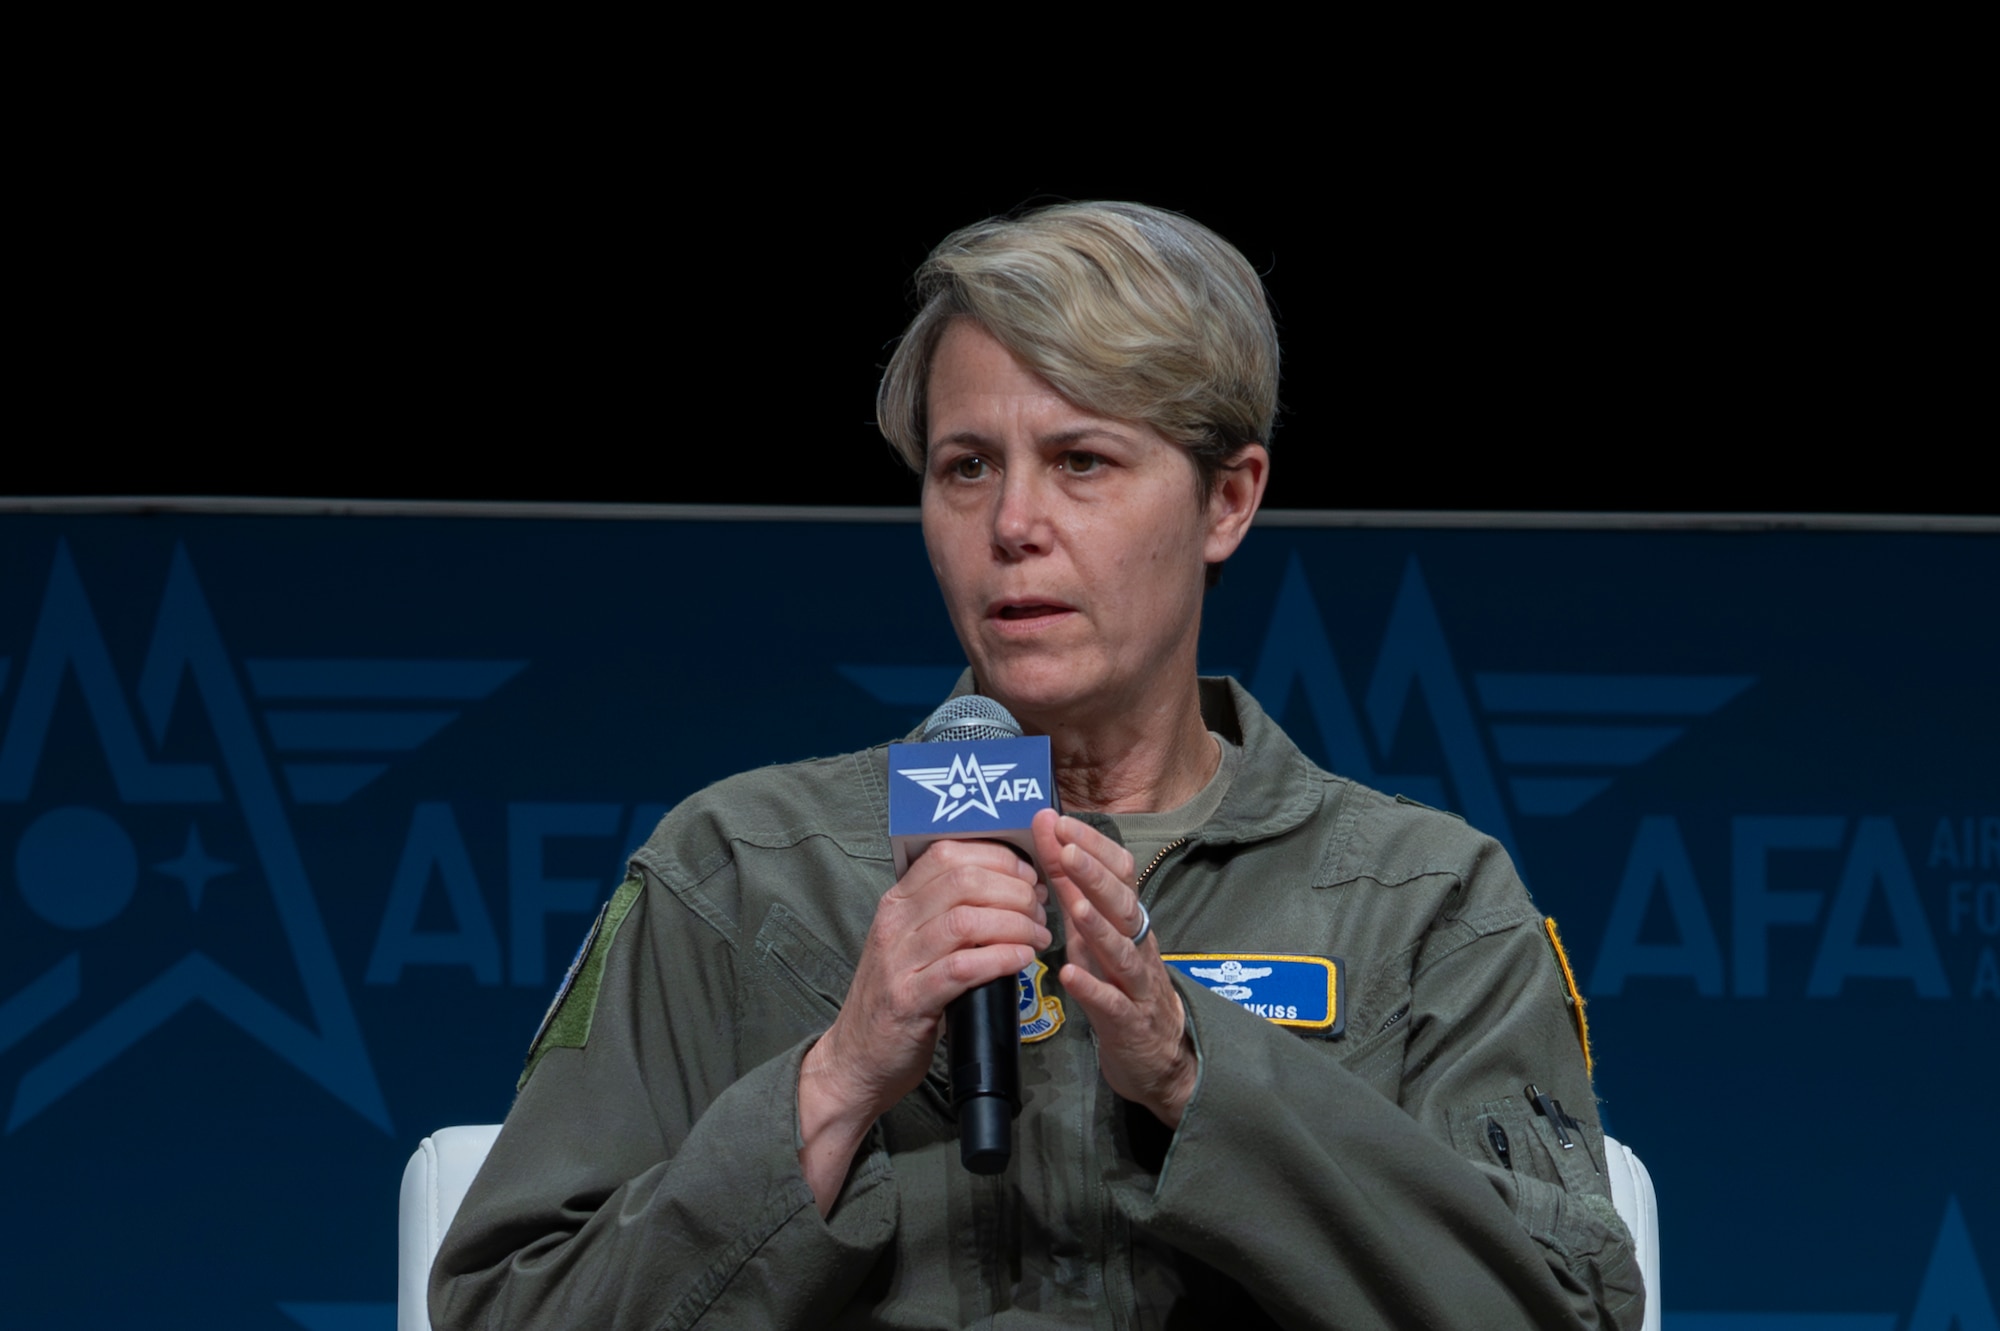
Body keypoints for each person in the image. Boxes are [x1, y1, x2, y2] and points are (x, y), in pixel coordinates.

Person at [431, 202, 1646, 1329]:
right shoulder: (740, 872)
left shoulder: (1423, 900)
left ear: (1227, 498)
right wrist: (837, 1075)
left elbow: (1569, 1309)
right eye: (966, 465)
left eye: (1080, 460)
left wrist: (1189, 1068)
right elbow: (507, 1308)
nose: (1012, 522)